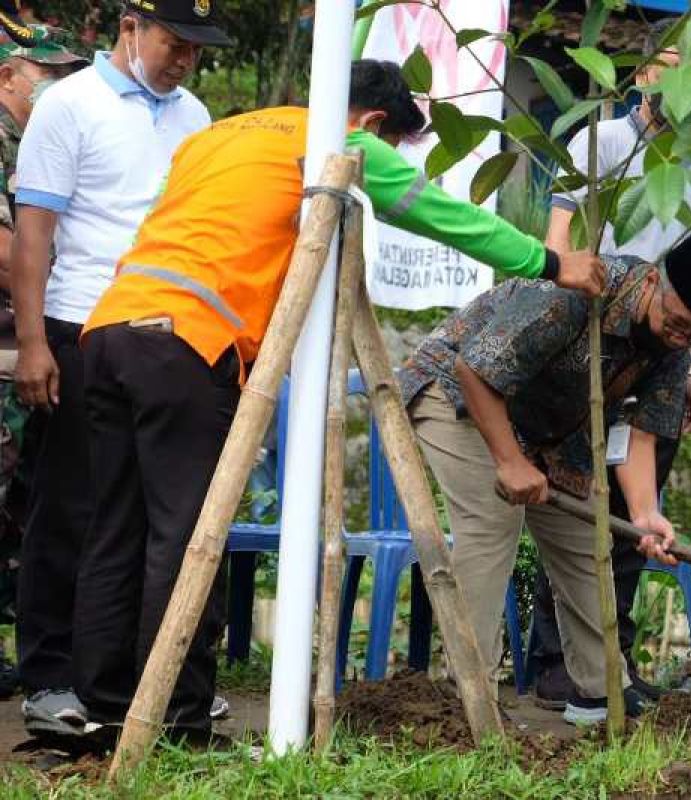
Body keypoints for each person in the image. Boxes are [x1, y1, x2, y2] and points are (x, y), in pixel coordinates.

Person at [71, 59, 605, 738]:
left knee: (117, 527)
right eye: (394, 147)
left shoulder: (219, 135)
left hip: (112, 325)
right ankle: (173, 718)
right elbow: (443, 216)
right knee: (184, 537)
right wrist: (553, 263)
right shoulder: (336, 139)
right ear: (375, 122)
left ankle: (104, 704)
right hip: (190, 341)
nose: (388, 161)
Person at [399, 225, 691, 725]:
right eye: (680, 322)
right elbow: (475, 371)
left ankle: (601, 690)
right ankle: (466, 694)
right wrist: (510, 461)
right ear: (653, 283)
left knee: (587, 541)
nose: (684, 337)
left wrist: (647, 514)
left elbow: (640, 434)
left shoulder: (675, 346)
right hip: (457, 390)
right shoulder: (577, 292)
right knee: (493, 522)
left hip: (545, 427)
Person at [10, 0, 227, 738]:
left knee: (146, 513)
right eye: (174, 42)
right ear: (131, 27)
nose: (184, 59)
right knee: (70, 504)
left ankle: (135, 676)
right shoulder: (68, 104)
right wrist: (34, 342)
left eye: (197, 48)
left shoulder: (194, 115)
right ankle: (48, 674)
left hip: (166, 332)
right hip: (77, 321)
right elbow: (35, 233)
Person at [529, 15, 691, 709]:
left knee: (639, 515)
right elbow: (559, 238)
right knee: (576, 501)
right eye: (667, 64)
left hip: (658, 358)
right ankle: (557, 661)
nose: (679, 79)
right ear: (640, 74)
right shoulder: (600, 140)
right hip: (586, 346)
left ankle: (613, 658)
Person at [0, 26, 88, 700]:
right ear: (8, 79)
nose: (61, 85)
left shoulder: (52, 143)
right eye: (48, 72)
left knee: (28, 507)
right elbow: (10, 255)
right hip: (18, 345)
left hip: (40, 346)